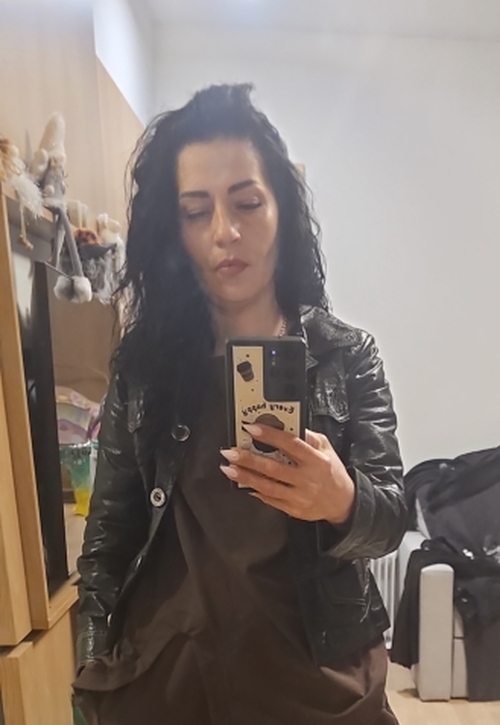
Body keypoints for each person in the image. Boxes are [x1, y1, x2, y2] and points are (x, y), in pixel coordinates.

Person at [73, 83, 407, 725]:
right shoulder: (145, 366)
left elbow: (392, 516)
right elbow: (109, 539)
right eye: (195, 211)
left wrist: (342, 499)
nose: (225, 232)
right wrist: (89, 676)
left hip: (319, 679)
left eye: (247, 203)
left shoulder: (346, 355)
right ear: (174, 229)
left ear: (281, 207)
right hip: (171, 676)